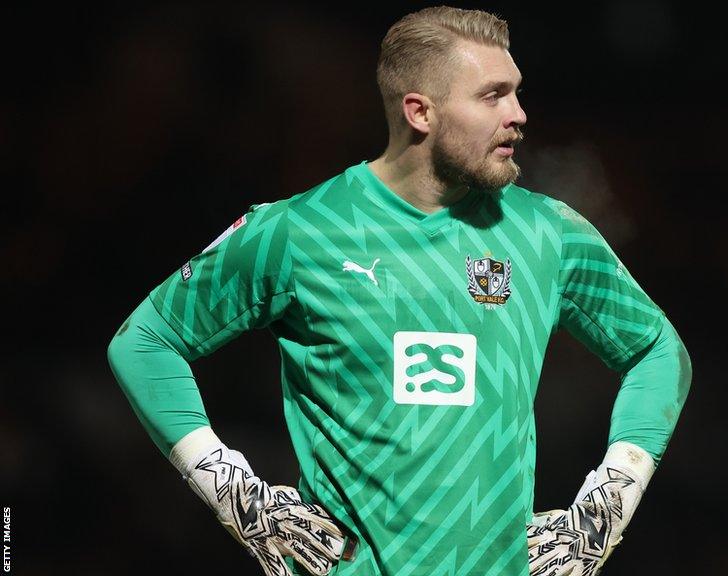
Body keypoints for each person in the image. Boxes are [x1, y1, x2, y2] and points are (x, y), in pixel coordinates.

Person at [107, 6, 691, 576]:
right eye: (492, 95)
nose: (519, 113)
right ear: (420, 112)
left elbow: (659, 352)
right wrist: (234, 493)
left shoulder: (549, 233)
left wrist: (609, 501)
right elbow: (145, 342)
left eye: (516, 92)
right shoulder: (297, 231)